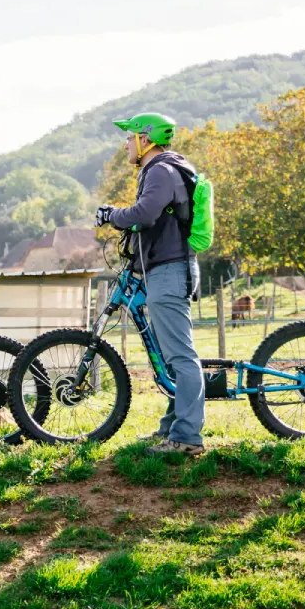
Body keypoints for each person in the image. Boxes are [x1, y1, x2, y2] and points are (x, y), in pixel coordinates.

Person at [95, 112, 205, 456]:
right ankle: (172, 429)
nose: (125, 144)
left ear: (145, 139)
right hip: (166, 268)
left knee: (181, 356)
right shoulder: (163, 169)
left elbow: (145, 213)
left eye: (129, 138)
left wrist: (112, 215)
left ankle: (187, 438)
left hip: (170, 270)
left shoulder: (160, 170)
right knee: (172, 356)